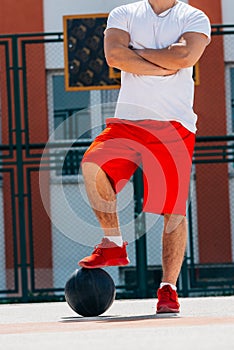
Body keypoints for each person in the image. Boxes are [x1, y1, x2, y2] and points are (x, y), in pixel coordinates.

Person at [78, 0, 211, 315]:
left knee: (173, 211)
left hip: (174, 125)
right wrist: (165, 62)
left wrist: (135, 56)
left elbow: (186, 55)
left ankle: (168, 288)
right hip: (128, 122)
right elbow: (114, 55)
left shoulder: (193, 16)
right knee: (92, 164)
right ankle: (113, 242)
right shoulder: (123, 13)